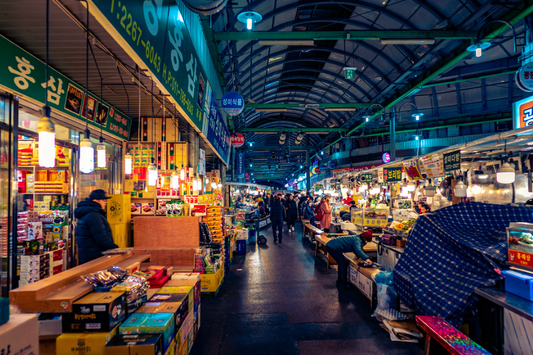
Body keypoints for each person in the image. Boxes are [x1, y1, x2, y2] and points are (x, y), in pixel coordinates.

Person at [75, 189, 118, 264]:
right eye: (103, 201)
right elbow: (101, 238)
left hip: (88, 256)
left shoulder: (87, 213)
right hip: (95, 257)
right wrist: (116, 249)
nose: (105, 203)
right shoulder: (94, 216)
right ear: (96, 201)